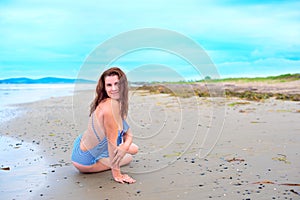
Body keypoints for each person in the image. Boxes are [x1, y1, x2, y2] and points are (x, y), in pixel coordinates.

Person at [71, 67, 138, 184]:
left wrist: (124, 146)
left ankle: (118, 149)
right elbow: (112, 144)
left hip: (83, 143)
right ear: (104, 87)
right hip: (84, 160)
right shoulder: (110, 106)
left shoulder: (118, 104)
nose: (114, 88)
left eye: (117, 84)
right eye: (109, 85)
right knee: (129, 157)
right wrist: (117, 174)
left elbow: (129, 134)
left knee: (133, 148)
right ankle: (112, 154)